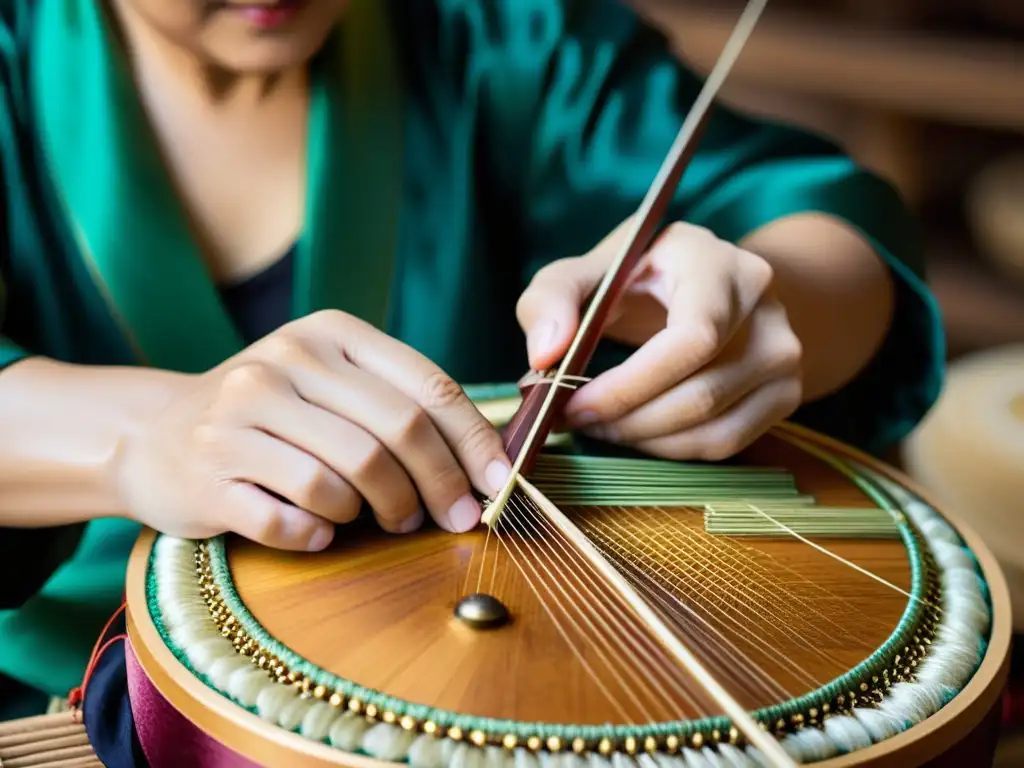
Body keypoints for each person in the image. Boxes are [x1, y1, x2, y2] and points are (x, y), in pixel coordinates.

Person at [0, 0, 942, 754]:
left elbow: (811, 217)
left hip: (522, 685)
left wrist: (761, 307)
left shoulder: (504, 32)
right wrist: (141, 431)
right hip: (72, 694)